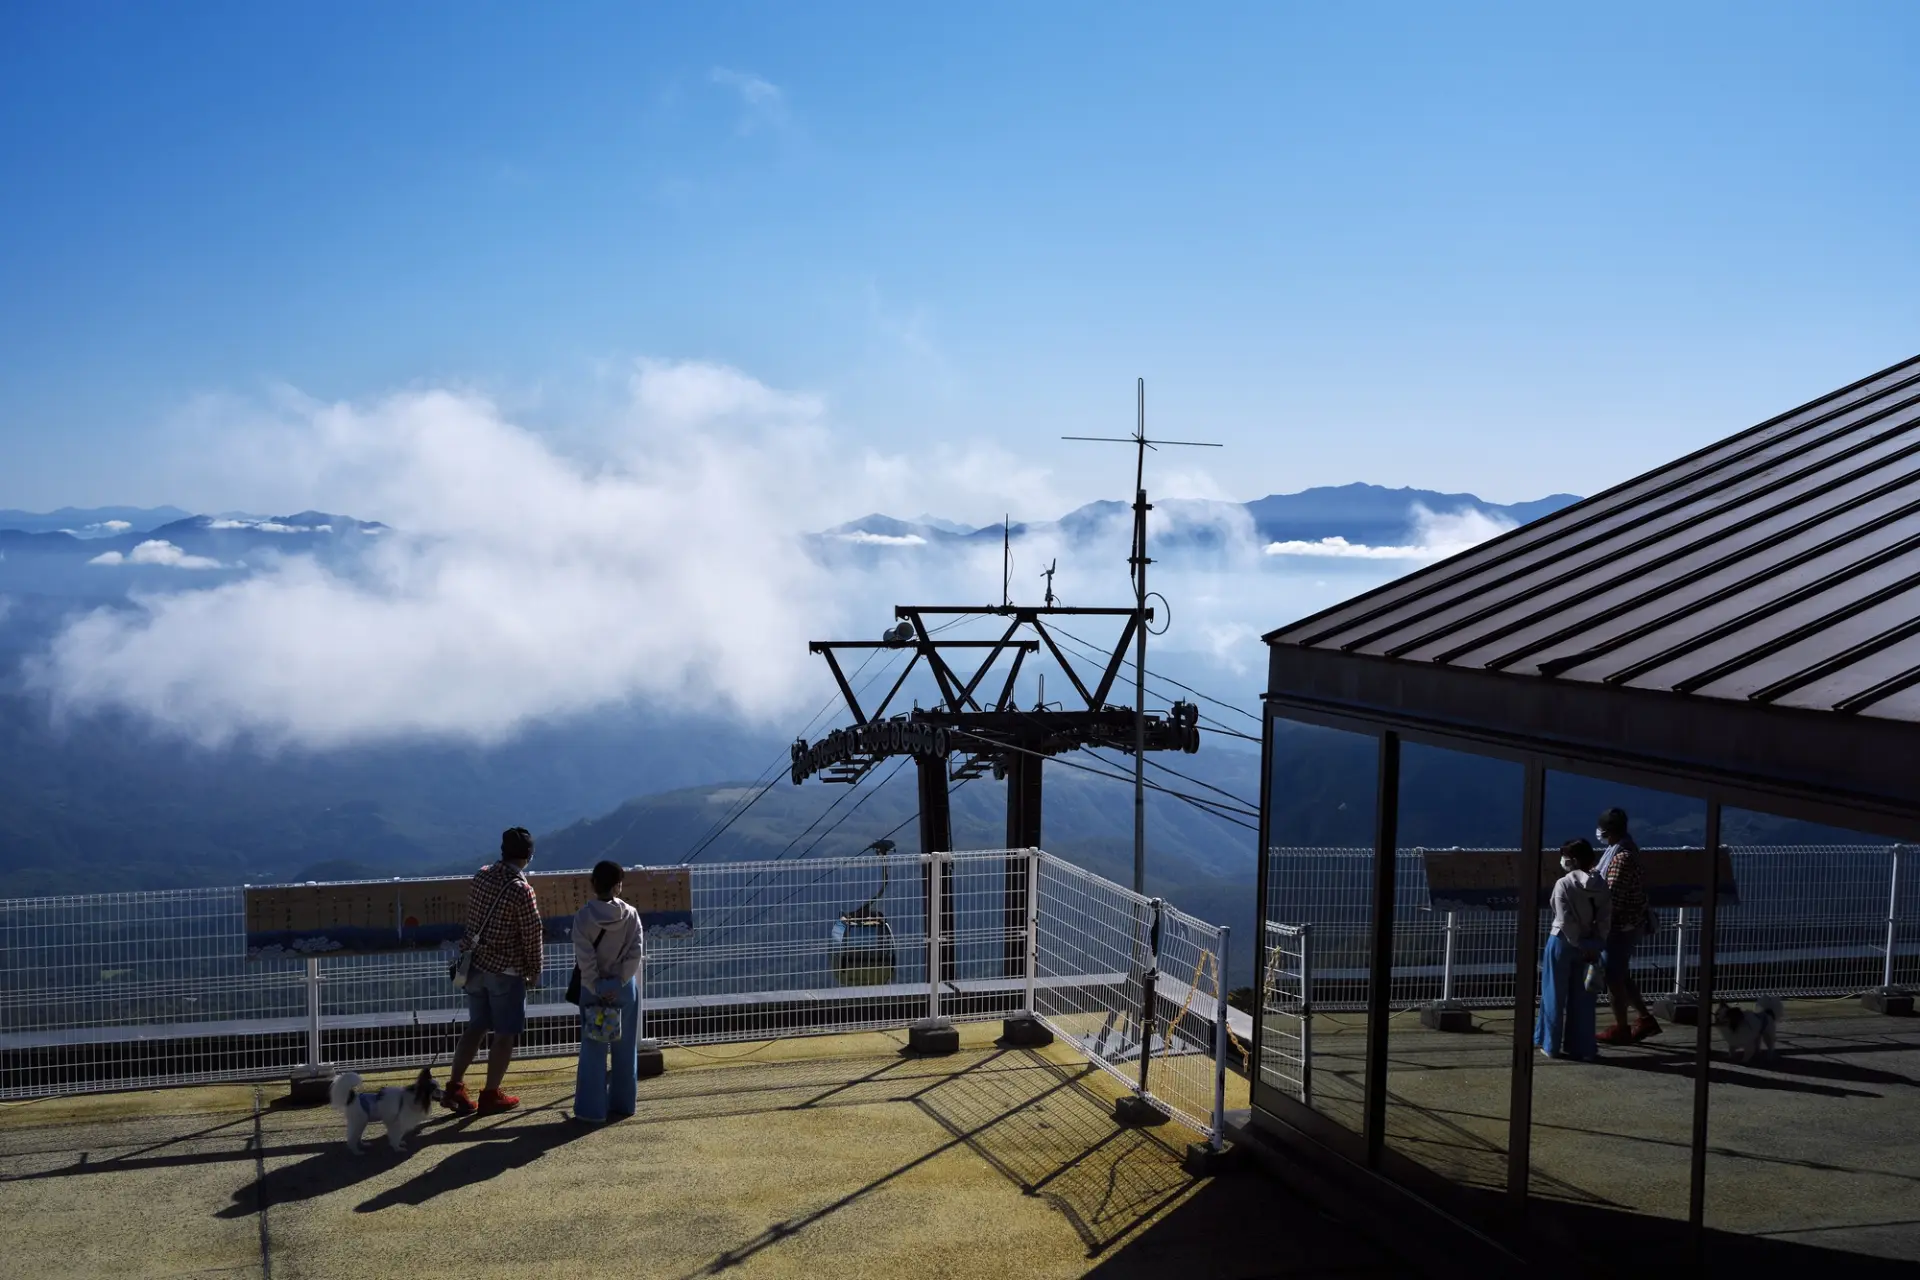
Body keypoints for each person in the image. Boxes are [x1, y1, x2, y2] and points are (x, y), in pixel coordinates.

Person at [444, 827, 544, 1116]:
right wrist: (535, 970)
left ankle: (455, 1088)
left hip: (474, 965)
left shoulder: (482, 874)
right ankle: (490, 1094)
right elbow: (532, 933)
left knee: (476, 1026)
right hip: (506, 970)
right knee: (504, 1033)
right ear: (528, 856)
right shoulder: (521, 889)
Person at [570, 859, 645, 1124]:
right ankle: (624, 1104)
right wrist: (618, 983)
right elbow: (635, 954)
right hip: (625, 991)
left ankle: (591, 1110)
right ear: (618, 886)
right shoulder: (631, 915)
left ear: (592, 884)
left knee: (593, 1049)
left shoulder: (583, 917)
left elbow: (585, 959)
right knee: (625, 1050)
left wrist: (598, 986)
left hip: (593, 992)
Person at [1534, 837, 1612, 1063]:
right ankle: (1583, 1047)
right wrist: (1594, 944)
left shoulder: (1564, 884)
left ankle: (1551, 1045)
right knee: (1585, 998)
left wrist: (1577, 941)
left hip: (1561, 942)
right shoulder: (1602, 885)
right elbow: (1606, 919)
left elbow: (1564, 919)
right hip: (1591, 944)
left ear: (1573, 860)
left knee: (1553, 995)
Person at [1595, 807, 1661, 1044]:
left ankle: (1622, 1027)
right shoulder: (1626, 850)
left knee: (1613, 976)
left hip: (1620, 927)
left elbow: (1611, 896)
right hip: (1630, 924)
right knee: (1621, 974)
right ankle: (1644, 1018)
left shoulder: (1620, 858)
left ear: (1608, 832)